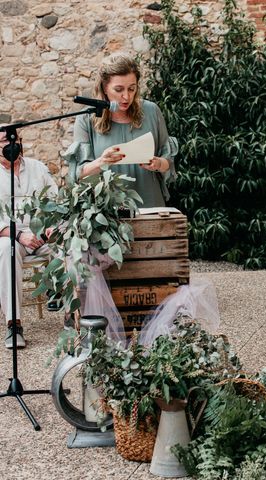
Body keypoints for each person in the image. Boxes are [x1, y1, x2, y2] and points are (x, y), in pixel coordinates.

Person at [64, 52, 177, 207]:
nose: (126, 97)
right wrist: (102, 162)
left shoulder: (151, 111)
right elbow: (78, 174)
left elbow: (168, 162)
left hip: (150, 205)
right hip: (108, 213)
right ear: (104, 88)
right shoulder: (86, 118)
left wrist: (157, 164)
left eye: (132, 89)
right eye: (119, 89)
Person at [0, 127, 58, 348]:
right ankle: (14, 325)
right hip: (10, 236)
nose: (12, 144)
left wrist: (50, 229)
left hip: (42, 235)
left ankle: (72, 311)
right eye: (5, 141)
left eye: (16, 139)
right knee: (6, 249)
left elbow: (56, 202)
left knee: (70, 244)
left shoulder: (38, 168)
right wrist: (19, 235)